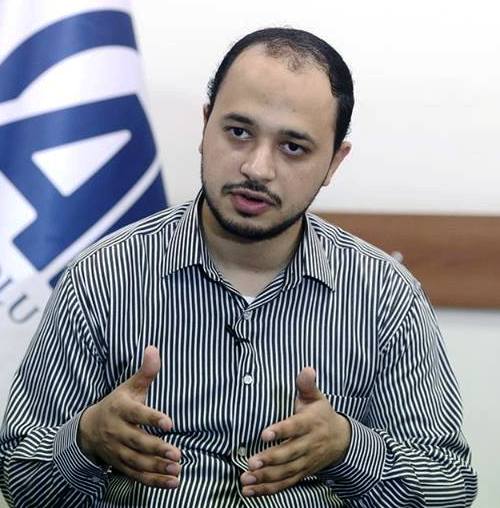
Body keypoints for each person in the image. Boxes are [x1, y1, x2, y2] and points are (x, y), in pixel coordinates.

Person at [0, 27, 477, 507]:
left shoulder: (385, 296)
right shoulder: (102, 276)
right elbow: (17, 476)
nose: (257, 168)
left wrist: (350, 447)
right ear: (206, 125)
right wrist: (85, 438)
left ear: (335, 161)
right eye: (239, 132)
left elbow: (451, 489)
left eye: (293, 147)